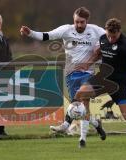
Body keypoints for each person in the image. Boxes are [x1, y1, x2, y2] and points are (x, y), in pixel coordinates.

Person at [20, 7, 106, 143]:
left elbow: (110, 37)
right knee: (79, 108)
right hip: (71, 74)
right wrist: (30, 33)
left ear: (87, 21)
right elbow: (46, 36)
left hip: (87, 73)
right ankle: (96, 124)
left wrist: (101, 46)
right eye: (76, 22)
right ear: (73, 20)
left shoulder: (96, 30)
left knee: (83, 103)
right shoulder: (66, 29)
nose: (79, 25)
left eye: (82, 22)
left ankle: (77, 135)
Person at [72, 18, 126, 147]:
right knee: (81, 93)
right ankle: (82, 137)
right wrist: (87, 64)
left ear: (119, 32)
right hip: (102, 78)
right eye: (109, 35)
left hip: (119, 84)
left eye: (113, 36)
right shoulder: (103, 38)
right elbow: (98, 54)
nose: (111, 39)